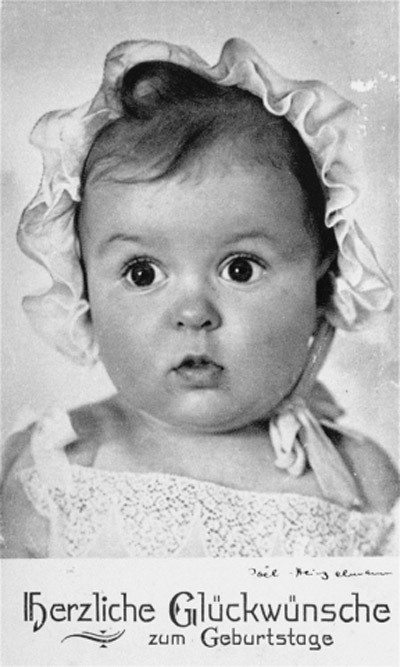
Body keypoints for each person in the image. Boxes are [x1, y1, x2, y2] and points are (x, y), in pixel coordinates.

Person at [1, 38, 398, 558]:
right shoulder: (58, 464)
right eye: (142, 273)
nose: (193, 313)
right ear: (84, 289)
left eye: (240, 268)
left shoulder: (361, 477)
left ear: (320, 280)